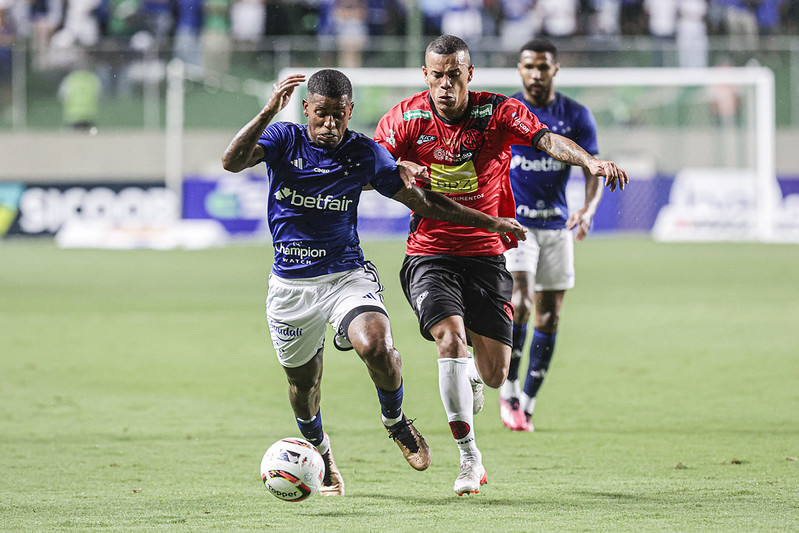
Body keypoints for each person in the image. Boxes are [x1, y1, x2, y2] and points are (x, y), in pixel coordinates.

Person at [221, 69, 527, 496]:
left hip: (346, 275)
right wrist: (268, 111)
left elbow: (424, 201)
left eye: (338, 116)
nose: (329, 125)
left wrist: (489, 221)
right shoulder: (283, 139)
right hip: (291, 288)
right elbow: (232, 160)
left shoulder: (363, 153)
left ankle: (396, 422)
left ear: (350, 112)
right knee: (303, 386)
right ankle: (320, 451)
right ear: (306, 108)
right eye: (321, 115)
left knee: (377, 345)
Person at [374, 34, 627, 496]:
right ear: (425, 76)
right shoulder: (405, 117)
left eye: (455, 74)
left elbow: (546, 138)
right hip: (429, 252)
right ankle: (470, 459)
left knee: (494, 374)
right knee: (448, 338)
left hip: (489, 254)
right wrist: (392, 169)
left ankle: (472, 369)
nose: (446, 85)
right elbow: (375, 157)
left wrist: (588, 161)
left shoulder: (499, 111)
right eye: (437, 75)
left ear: (470, 74)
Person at [497, 37, 604, 433]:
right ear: (520, 69)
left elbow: (590, 168)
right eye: (529, 66)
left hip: (556, 226)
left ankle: (528, 399)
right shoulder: (507, 112)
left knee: (551, 314)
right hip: (517, 226)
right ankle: (507, 388)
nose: (536, 74)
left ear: (555, 69)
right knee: (521, 300)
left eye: (543, 66)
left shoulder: (575, 115)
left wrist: (588, 210)